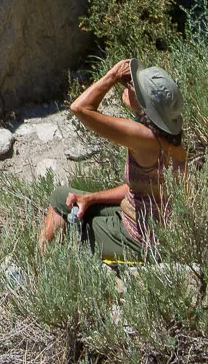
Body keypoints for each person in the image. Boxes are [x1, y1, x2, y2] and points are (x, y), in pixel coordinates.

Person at [38, 53, 187, 260]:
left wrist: (113, 75)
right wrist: (92, 198)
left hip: (135, 240)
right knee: (65, 197)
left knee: (65, 211)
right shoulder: (168, 140)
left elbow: (80, 108)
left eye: (134, 87)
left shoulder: (144, 137)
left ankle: (42, 265)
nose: (128, 86)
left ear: (145, 105)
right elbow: (139, 188)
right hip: (149, 230)